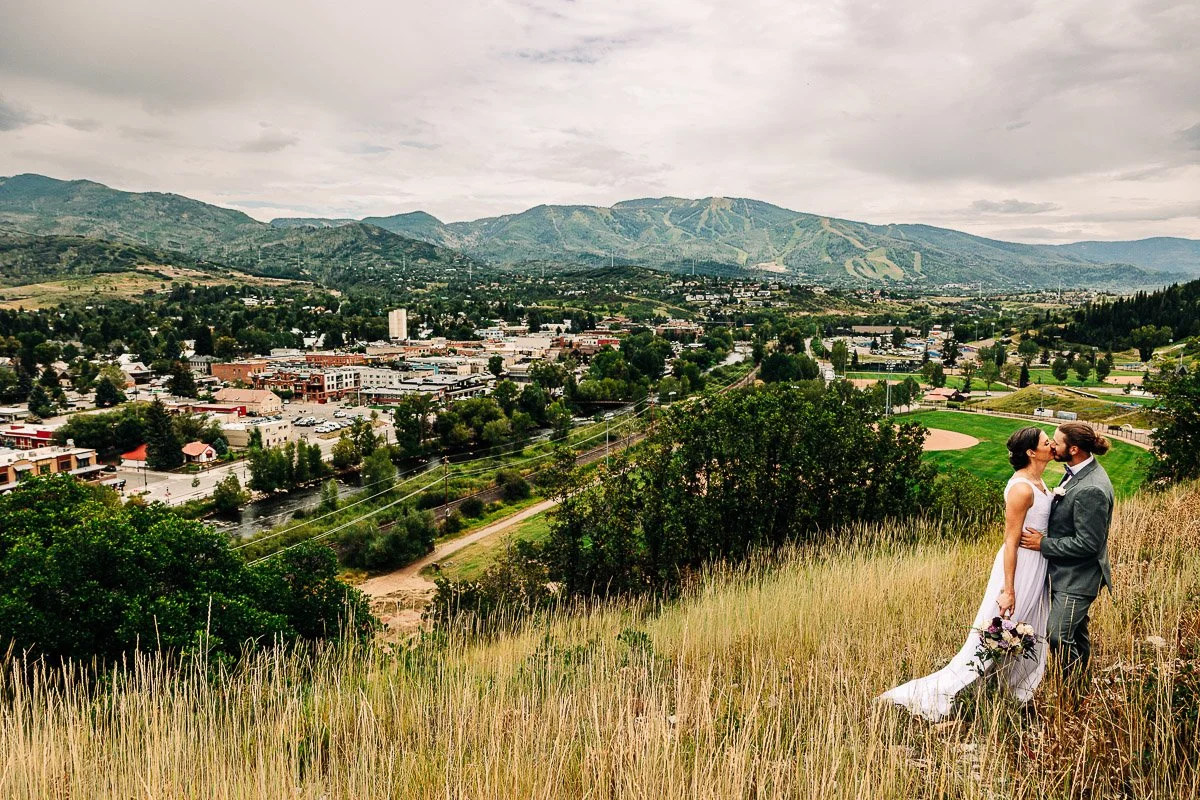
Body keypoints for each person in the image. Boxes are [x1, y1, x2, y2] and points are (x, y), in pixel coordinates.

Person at [877, 426, 1052, 721]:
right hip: (1020, 565)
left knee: (1032, 628)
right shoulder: (1022, 488)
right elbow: (1010, 542)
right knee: (1002, 630)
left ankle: (1012, 692)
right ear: (1032, 452)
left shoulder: (1040, 481)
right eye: (1046, 441)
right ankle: (946, 691)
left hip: (1039, 564)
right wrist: (1008, 589)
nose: (1052, 444)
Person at [1019, 422, 1113, 685]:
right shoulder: (1077, 471)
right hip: (1066, 573)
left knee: (1058, 634)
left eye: (1056, 442)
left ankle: (1069, 688)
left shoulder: (1092, 487)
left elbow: (1089, 544)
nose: (1052, 446)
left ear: (1073, 449)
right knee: (1076, 632)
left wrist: (1044, 544)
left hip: (1078, 578)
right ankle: (1081, 685)